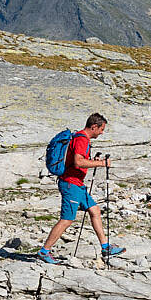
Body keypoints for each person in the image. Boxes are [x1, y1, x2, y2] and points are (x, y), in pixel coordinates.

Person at [40, 113, 125, 264]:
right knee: (67, 219)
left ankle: (106, 247)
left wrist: (93, 161)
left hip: (77, 184)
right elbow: (78, 162)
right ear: (94, 127)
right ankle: (44, 251)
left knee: (95, 210)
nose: (102, 132)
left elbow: (78, 161)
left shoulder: (80, 138)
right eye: (101, 129)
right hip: (70, 184)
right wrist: (101, 164)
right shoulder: (81, 140)